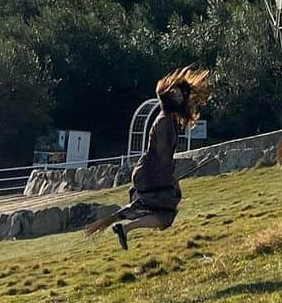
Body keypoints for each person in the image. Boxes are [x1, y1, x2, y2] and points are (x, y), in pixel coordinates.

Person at [85, 65, 211, 249]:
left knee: (164, 214)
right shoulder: (165, 122)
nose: (178, 95)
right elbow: (162, 157)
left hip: (148, 173)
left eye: (181, 94)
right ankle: (128, 220)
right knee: (166, 214)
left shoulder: (167, 119)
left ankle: (125, 226)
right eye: (175, 92)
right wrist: (171, 180)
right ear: (166, 93)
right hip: (151, 174)